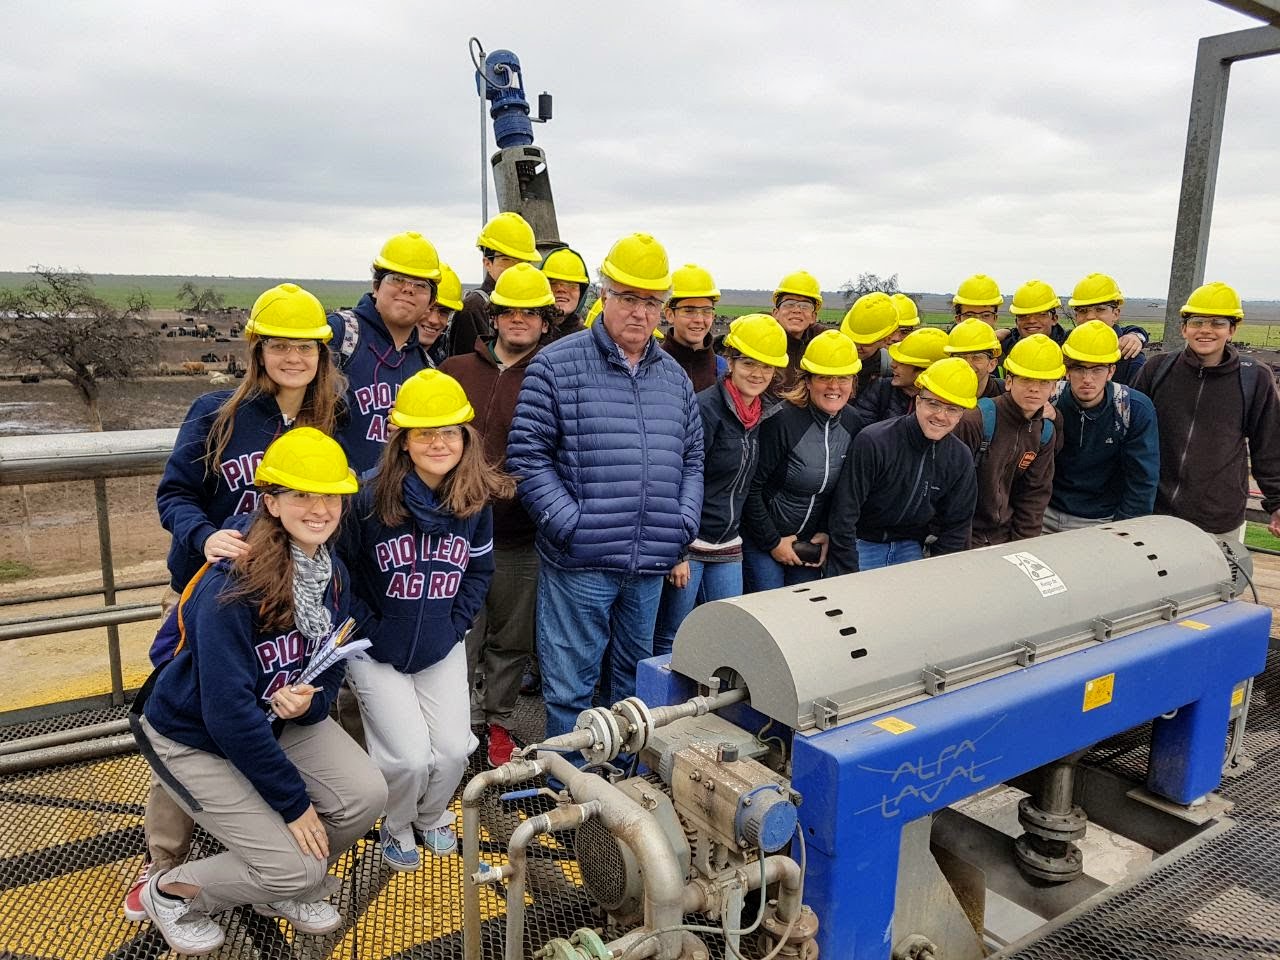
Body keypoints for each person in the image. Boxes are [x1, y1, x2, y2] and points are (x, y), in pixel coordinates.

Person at [135, 429, 385, 955]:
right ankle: (170, 894)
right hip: (195, 734)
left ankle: (280, 887)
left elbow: (331, 662)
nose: (319, 509)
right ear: (270, 501)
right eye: (301, 494)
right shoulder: (233, 585)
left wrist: (311, 700)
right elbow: (226, 713)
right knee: (297, 860)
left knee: (366, 796)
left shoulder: (329, 571)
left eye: (330, 495)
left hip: (270, 717)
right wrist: (292, 806)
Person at [139, 283, 344, 923]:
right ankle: (165, 866)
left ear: (321, 354)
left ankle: (269, 863)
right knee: (197, 715)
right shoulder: (216, 413)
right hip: (215, 591)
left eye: (304, 347)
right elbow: (174, 494)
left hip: (291, 592)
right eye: (279, 345)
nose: (292, 358)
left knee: (275, 714)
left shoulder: (326, 419)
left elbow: (340, 499)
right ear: (258, 350)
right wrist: (206, 538)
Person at [507, 233, 704, 743]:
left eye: (652, 302)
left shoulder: (675, 378)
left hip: (648, 563)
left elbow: (692, 458)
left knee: (629, 687)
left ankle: (618, 785)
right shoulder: (556, 364)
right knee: (571, 688)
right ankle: (567, 782)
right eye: (628, 298)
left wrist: (680, 526)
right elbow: (527, 457)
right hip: (582, 562)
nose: (640, 313)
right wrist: (570, 525)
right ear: (604, 295)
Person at [339, 369, 507, 869]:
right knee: (407, 757)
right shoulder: (367, 498)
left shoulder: (474, 500)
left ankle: (431, 817)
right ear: (403, 441)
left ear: (465, 438)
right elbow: (340, 577)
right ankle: (396, 826)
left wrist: (455, 625)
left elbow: (480, 570)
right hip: (375, 647)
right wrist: (371, 629)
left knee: (455, 749)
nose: (438, 442)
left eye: (449, 431)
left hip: (440, 639)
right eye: (424, 432)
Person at [439, 263, 556, 768]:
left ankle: (500, 722)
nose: (519, 319)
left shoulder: (553, 376)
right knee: (461, 631)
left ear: (545, 322)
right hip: (456, 530)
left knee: (511, 636)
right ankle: (457, 723)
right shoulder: (455, 370)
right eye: (510, 310)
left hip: (519, 533)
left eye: (531, 312)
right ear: (495, 315)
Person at [654, 314, 790, 655]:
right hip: (692, 544)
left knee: (726, 635)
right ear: (729, 361)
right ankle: (666, 706)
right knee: (675, 635)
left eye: (766, 367)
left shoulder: (766, 415)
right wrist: (677, 552)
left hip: (729, 544)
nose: (757, 374)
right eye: (748, 363)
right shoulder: (705, 409)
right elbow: (676, 480)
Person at [1133, 281, 1280, 540]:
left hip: (1218, 520)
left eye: (1217, 323)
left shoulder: (1254, 378)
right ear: (1184, 328)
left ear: (1232, 330)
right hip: (1154, 514)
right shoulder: (1157, 370)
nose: (1206, 331)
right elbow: (1130, 435)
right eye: (1198, 322)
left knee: (1219, 582)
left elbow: (1269, 446)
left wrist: (1277, 502)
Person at [827, 358, 979, 574]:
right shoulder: (874, 441)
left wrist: (936, 571)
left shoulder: (960, 457)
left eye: (952, 409)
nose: (940, 416)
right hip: (862, 542)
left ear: (961, 414)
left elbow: (957, 526)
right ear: (918, 401)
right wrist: (849, 572)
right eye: (933, 403)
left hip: (910, 545)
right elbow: (844, 513)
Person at [741, 330, 861, 591]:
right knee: (769, 612)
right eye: (824, 377)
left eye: (843, 378)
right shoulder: (782, 421)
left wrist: (826, 531)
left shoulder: (854, 424)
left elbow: (844, 493)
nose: (834, 386)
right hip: (764, 540)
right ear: (807, 381)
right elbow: (751, 488)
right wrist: (773, 542)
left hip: (809, 543)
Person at [328, 231, 440, 473]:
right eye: (397, 279)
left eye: (420, 285)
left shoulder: (426, 369)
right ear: (376, 287)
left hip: (391, 501)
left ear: (430, 303)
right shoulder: (341, 333)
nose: (408, 290)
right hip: (330, 500)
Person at [1044, 321, 1159, 531]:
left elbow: (1142, 481)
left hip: (1101, 521)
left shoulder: (1133, 409)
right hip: (1044, 514)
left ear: (1111, 371)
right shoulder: (1049, 400)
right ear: (1066, 371)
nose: (1087, 379)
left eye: (1097, 369)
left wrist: (1124, 531)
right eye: (1079, 368)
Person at [955, 334, 1064, 546]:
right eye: (1026, 379)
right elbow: (945, 488)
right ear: (1009, 381)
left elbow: (1033, 497)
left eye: (1043, 382)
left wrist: (1022, 547)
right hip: (962, 536)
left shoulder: (1044, 433)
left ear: (1053, 388)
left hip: (1004, 538)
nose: (1034, 388)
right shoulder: (975, 420)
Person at [449, 211, 542, 357]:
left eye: (522, 261)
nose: (514, 267)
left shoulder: (534, 304)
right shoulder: (474, 307)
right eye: (506, 260)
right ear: (487, 263)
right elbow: (465, 367)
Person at [851, 326, 949, 429]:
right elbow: (861, 431)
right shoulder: (880, 389)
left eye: (902, 362)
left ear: (924, 370)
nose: (893, 364)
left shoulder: (948, 404)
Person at [1065, 273, 1148, 386]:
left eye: (1099, 309)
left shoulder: (1131, 358)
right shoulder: (1065, 347)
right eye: (1083, 311)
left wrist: (1138, 335)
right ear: (1076, 316)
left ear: (1116, 314)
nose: (1090, 317)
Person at [661, 263, 727, 392]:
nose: (698, 319)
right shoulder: (649, 366)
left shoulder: (723, 370)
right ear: (669, 315)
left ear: (713, 316)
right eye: (689, 311)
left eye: (706, 311)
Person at [770, 270, 828, 396]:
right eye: (789, 304)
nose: (796, 310)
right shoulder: (760, 339)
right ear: (775, 313)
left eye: (804, 306)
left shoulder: (823, 343)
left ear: (813, 317)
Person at [840, 292, 899, 396]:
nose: (857, 346)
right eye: (852, 339)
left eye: (866, 343)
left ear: (886, 339)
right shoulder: (831, 356)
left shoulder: (888, 370)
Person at [999, 280, 1068, 354]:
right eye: (1023, 315)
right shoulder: (1003, 349)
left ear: (1054, 319)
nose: (1031, 321)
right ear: (1016, 322)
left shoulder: (1069, 348)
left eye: (1041, 314)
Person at [416, 263, 465, 367]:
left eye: (444, 311)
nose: (434, 320)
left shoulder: (442, 363)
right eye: (428, 307)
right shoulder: (380, 358)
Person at [944, 318, 1004, 399]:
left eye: (976, 357)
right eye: (960, 357)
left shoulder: (1008, 394)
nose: (967, 365)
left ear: (992, 364)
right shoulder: (940, 394)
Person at [540, 245, 591, 340]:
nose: (561, 289)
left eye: (571, 284)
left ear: (581, 293)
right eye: (553, 283)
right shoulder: (524, 333)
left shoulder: (590, 342)